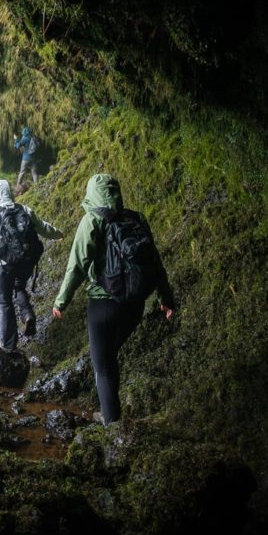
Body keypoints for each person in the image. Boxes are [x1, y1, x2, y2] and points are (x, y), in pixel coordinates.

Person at [51, 174, 176, 424]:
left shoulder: (91, 221)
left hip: (103, 306)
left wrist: (61, 301)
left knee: (102, 366)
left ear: (91, 193)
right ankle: (111, 414)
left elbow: (76, 265)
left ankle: (112, 425)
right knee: (109, 359)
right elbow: (155, 262)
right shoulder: (136, 218)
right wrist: (166, 298)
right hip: (135, 304)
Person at [0, 179, 64, 351]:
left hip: (3, 265)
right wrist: (58, 234)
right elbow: (42, 227)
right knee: (19, 287)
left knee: (4, 302)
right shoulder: (24, 210)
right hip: (26, 261)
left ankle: (8, 344)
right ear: (8, 193)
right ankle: (27, 314)